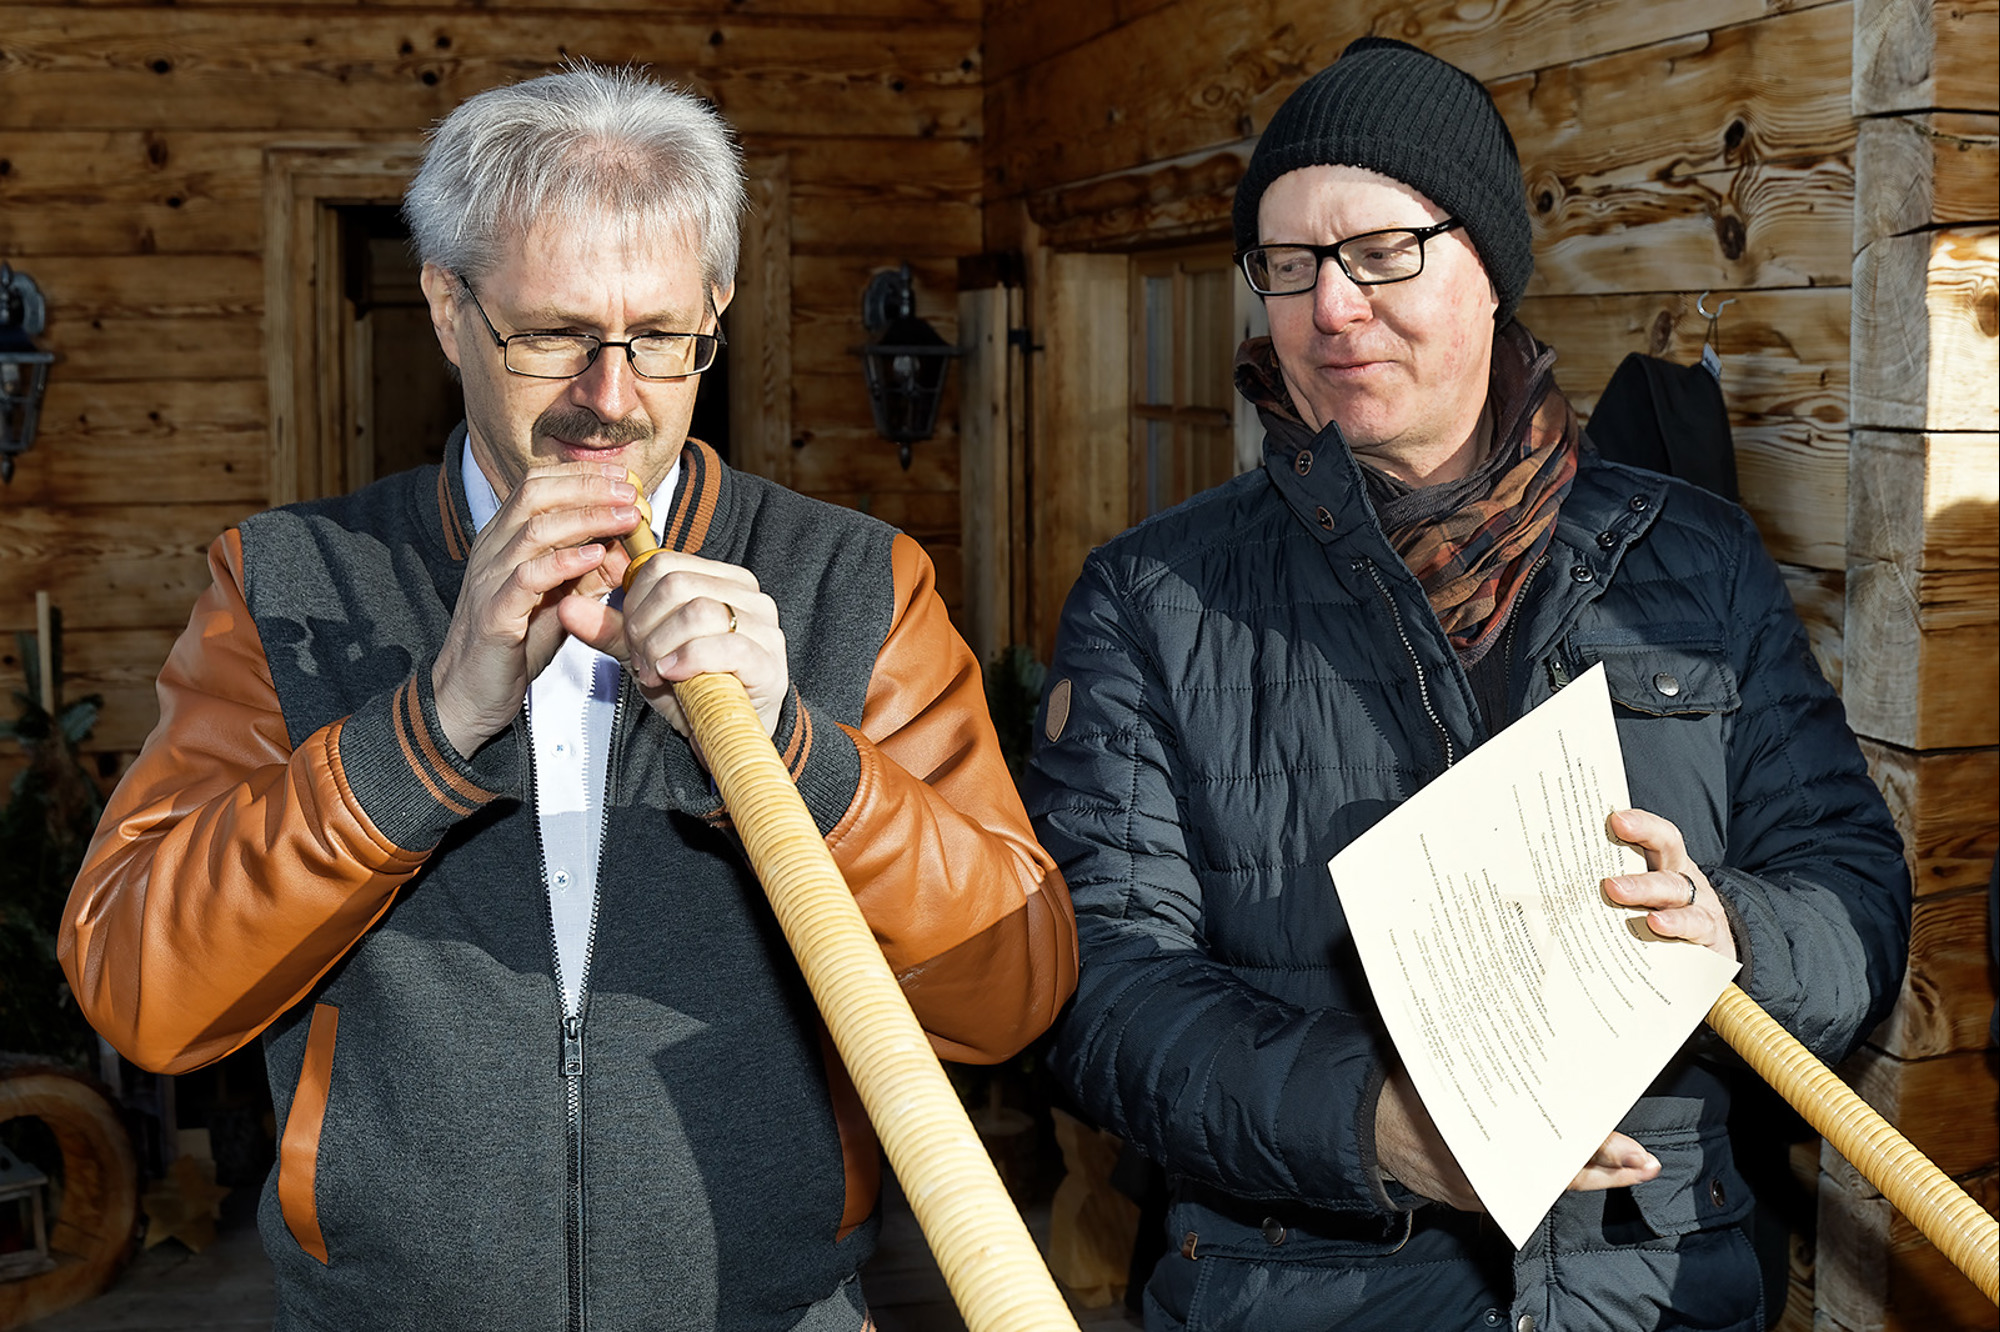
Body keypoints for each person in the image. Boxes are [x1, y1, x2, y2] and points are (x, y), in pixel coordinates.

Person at [62, 65, 1076, 1332]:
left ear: (714, 311)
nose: (610, 397)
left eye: (659, 338)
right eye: (551, 335)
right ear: (448, 309)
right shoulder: (285, 580)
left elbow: (1009, 990)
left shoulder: (853, 582)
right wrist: (431, 727)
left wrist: (801, 755)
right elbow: (142, 994)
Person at [1026, 37, 1909, 1332]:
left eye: (1383, 252)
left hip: (1654, 1287)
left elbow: (1855, 897)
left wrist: (1734, 930)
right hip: (1305, 1288)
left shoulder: (1692, 560)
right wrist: (1373, 1124)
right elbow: (1099, 989)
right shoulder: (1153, 600)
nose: (1331, 308)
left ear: (1490, 267)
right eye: (1287, 264)